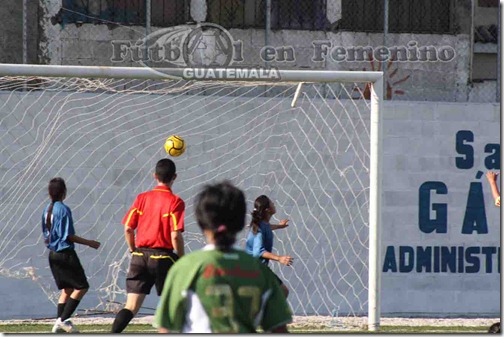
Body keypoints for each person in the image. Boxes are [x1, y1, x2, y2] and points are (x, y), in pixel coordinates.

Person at [154, 181, 292, 333]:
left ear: (201, 222)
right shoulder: (261, 272)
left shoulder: (183, 268)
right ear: (240, 223)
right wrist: (279, 258)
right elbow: (279, 331)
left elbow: (165, 330)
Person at [111, 158, 185, 333]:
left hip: (139, 257)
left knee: (131, 307)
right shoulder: (175, 201)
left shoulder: (142, 198)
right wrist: (181, 259)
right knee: (173, 305)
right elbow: (175, 235)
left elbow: (128, 228)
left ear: (154, 176)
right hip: (163, 257)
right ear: (175, 177)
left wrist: (133, 249)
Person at [41, 177, 101, 333]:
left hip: (52, 254)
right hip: (65, 253)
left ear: (49, 193)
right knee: (82, 286)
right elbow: (68, 235)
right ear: (64, 192)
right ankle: (62, 320)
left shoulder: (47, 209)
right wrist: (90, 242)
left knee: (67, 290)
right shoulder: (63, 209)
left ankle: (58, 325)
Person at [245, 195, 293, 298]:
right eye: (272, 203)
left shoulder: (263, 224)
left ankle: (267, 312)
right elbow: (258, 251)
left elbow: (268, 227)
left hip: (260, 269)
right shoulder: (258, 228)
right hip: (253, 270)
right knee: (282, 292)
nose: (274, 204)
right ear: (267, 210)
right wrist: (279, 258)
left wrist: (280, 226)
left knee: (282, 291)